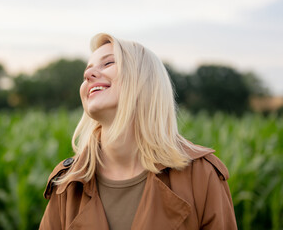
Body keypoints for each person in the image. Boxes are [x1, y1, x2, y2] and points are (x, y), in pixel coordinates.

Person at [39, 33, 237, 230]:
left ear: (145, 81)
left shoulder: (202, 174)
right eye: (87, 71)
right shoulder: (67, 183)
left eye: (108, 64)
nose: (88, 75)